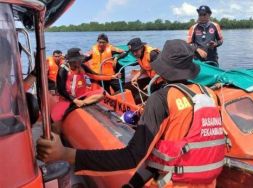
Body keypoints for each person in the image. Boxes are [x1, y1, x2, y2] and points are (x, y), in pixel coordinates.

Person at [37, 40, 227, 188]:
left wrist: (66, 154)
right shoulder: (209, 94)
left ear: (162, 68)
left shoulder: (161, 99)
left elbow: (131, 157)